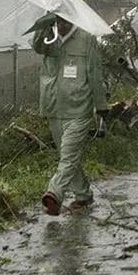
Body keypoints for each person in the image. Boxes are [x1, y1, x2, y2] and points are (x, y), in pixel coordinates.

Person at [32, 15, 108, 216]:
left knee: (68, 154)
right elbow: (37, 47)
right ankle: (83, 195)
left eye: (65, 22)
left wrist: (101, 105)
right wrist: (45, 26)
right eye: (58, 22)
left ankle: (54, 193)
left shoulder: (87, 39)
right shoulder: (50, 36)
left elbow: (94, 72)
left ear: (73, 20)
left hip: (79, 108)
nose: (62, 26)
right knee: (67, 156)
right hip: (54, 106)